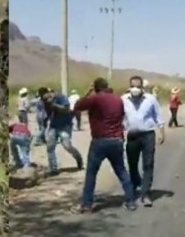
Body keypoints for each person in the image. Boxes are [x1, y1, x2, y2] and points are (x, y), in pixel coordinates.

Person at [73, 78, 136, 213]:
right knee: (121, 171)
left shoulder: (95, 99)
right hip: (117, 139)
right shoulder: (118, 99)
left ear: (96, 88)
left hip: (100, 141)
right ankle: (130, 201)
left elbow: (77, 106)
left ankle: (87, 204)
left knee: (91, 173)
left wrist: (88, 92)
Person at [122, 76, 165, 207]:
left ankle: (145, 194)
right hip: (132, 136)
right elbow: (118, 116)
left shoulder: (151, 99)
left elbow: (159, 116)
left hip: (148, 135)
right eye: (133, 86)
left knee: (148, 163)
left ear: (142, 87)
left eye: (138, 86)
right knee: (132, 164)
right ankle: (135, 185)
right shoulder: (123, 99)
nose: (135, 89)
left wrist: (162, 133)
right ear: (129, 86)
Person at [39, 87, 83, 176]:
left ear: (49, 93)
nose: (45, 99)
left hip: (65, 125)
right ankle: (53, 169)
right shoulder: (45, 101)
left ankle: (78, 158)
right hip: (53, 126)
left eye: (46, 97)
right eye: (43, 98)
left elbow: (66, 109)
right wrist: (46, 118)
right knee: (50, 147)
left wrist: (53, 104)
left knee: (67, 146)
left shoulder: (61, 97)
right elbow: (49, 113)